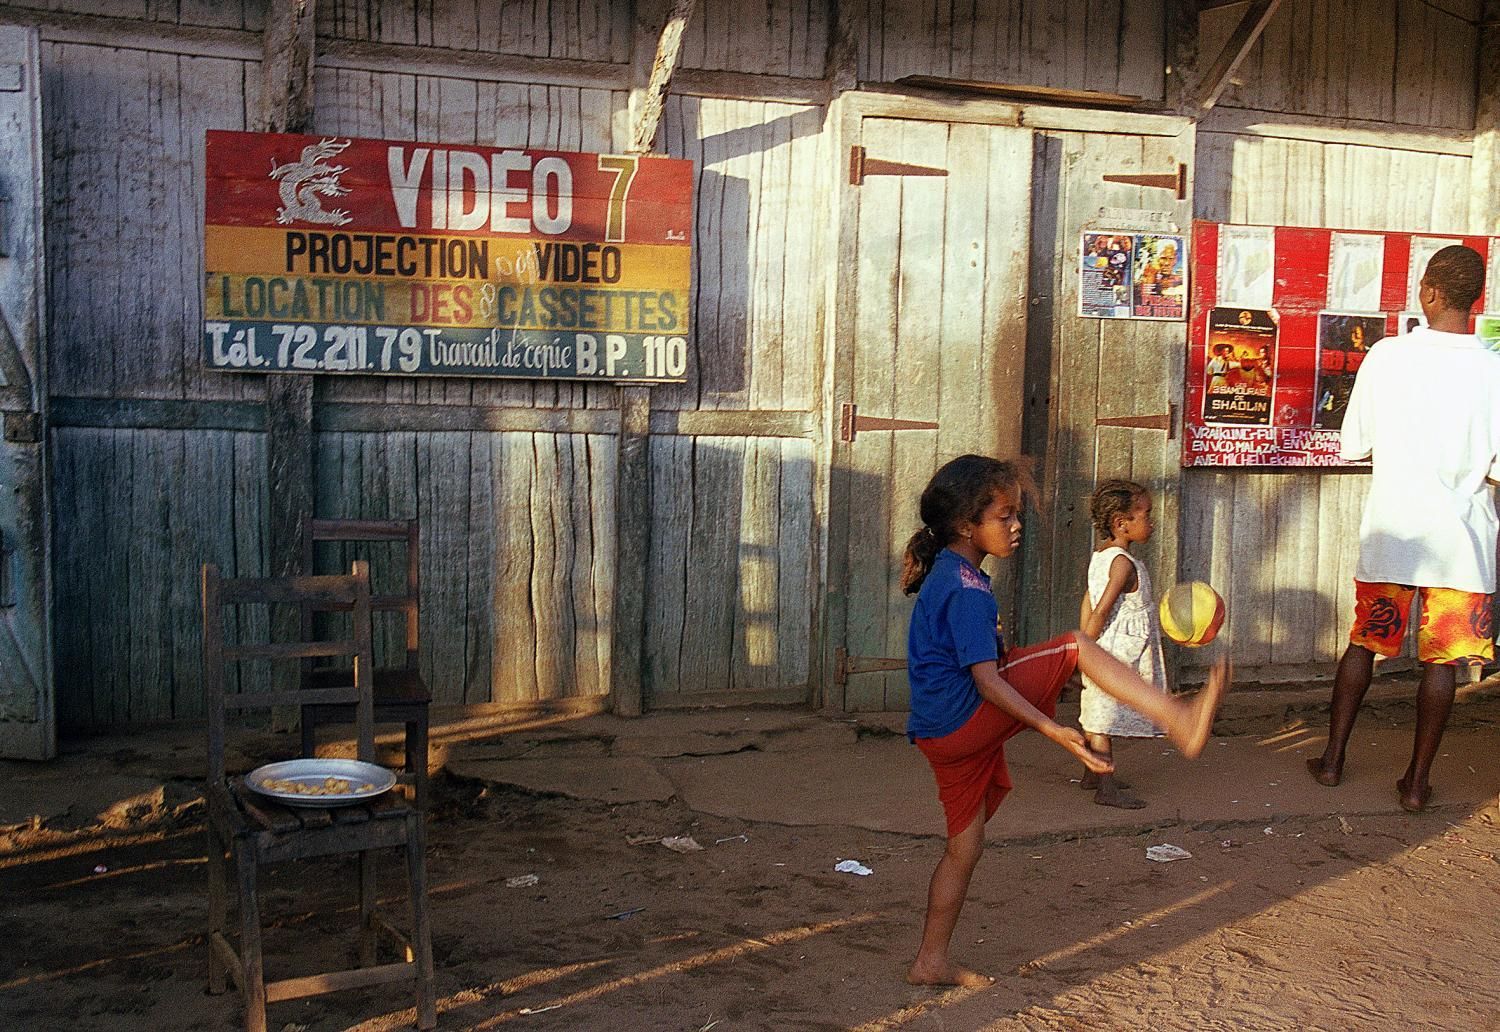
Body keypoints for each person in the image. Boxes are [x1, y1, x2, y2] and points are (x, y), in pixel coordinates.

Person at [901, 454, 1230, 987]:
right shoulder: (965, 590)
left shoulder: (952, 573)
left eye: (1016, 513)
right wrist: (1053, 730)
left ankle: (929, 961)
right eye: (1004, 515)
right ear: (966, 525)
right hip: (966, 718)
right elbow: (988, 681)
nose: (1016, 524)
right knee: (1076, 645)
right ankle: (1177, 718)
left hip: (940, 735)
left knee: (966, 847)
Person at [1306, 244, 1500, 812]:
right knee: (1441, 662)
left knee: (1365, 643)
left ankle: (1333, 759)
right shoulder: (1495, 364)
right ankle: (1416, 783)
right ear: (1477, 299)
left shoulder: (1387, 355)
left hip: (1393, 532)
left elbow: (1354, 443)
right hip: (1462, 543)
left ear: (1430, 292)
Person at [1077, 480, 1169, 810]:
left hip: (1106, 644)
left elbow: (1088, 599)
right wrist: (1086, 644)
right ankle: (1106, 787)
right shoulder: (1121, 563)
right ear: (1121, 522)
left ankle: (1091, 773)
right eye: (1144, 514)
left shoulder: (1101, 556)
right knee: (1103, 715)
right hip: (1116, 650)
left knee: (1097, 709)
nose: (1152, 521)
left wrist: (1085, 637)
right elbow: (1102, 607)